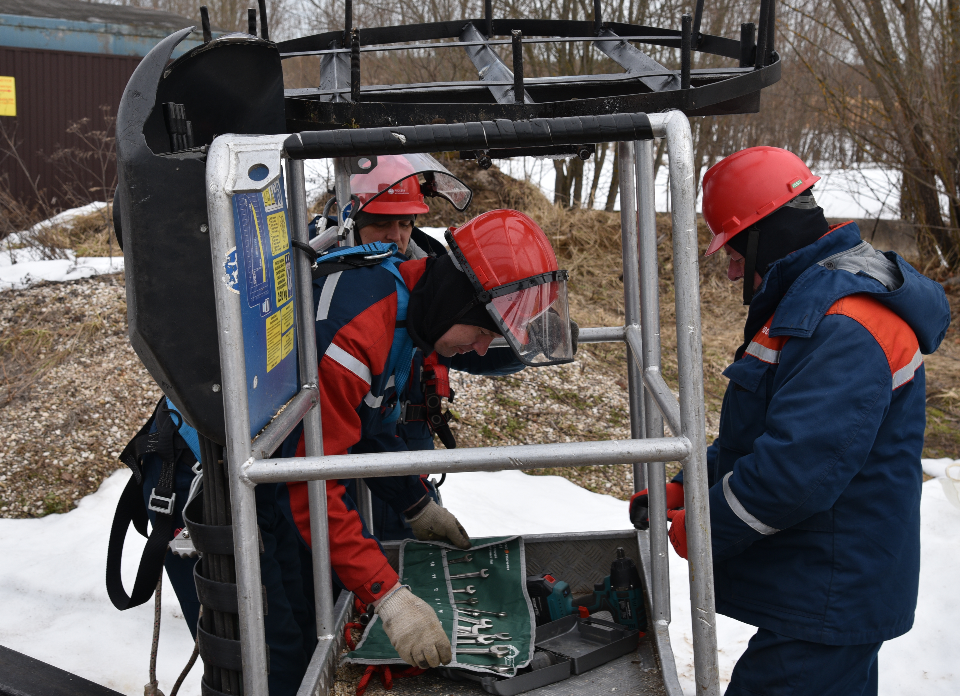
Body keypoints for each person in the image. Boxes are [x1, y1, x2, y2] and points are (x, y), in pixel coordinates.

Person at [629, 146, 950, 696]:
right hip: (825, 580)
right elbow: (771, 435)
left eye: (733, 254)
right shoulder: (813, 303)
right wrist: (692, 481)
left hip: (832, 586)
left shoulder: (844, 322)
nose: (731, 273)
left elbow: (795, 472)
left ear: (766, 236)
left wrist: (702, 530)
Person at [279, 207, 576, 669]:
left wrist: (416, 503)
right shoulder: (357, 330)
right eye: (481, 331)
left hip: (289, 477)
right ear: (455, 301)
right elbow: (308, 479)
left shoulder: (406, 310)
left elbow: (368, 426)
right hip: (239, 487)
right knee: (285, 654)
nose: (480, 349)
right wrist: (389, 596)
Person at [322, 154, 527, 540]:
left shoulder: (436, 269)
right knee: (348, 556)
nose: (395, 236)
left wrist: (523, 337)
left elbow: (472, 345)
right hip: (350, 451)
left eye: (405, 223)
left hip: (407, 445)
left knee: (420, 557)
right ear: (353, 220)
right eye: (381, 223)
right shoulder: (331, 284)